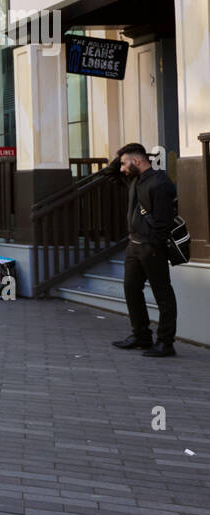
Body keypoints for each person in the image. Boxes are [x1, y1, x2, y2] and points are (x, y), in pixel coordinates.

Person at [110, 143, 179, 357]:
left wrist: (153, 245)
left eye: (124, 163)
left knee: (163, 295)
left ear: (137, 161)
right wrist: (121, 157)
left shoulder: (160, 182)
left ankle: (165, 343)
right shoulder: (134, 178)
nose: (121, 168)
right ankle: (141, 337)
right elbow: (111, 174)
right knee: (131, 290)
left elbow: (164, 221)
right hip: (133, 246)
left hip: (151, 247)